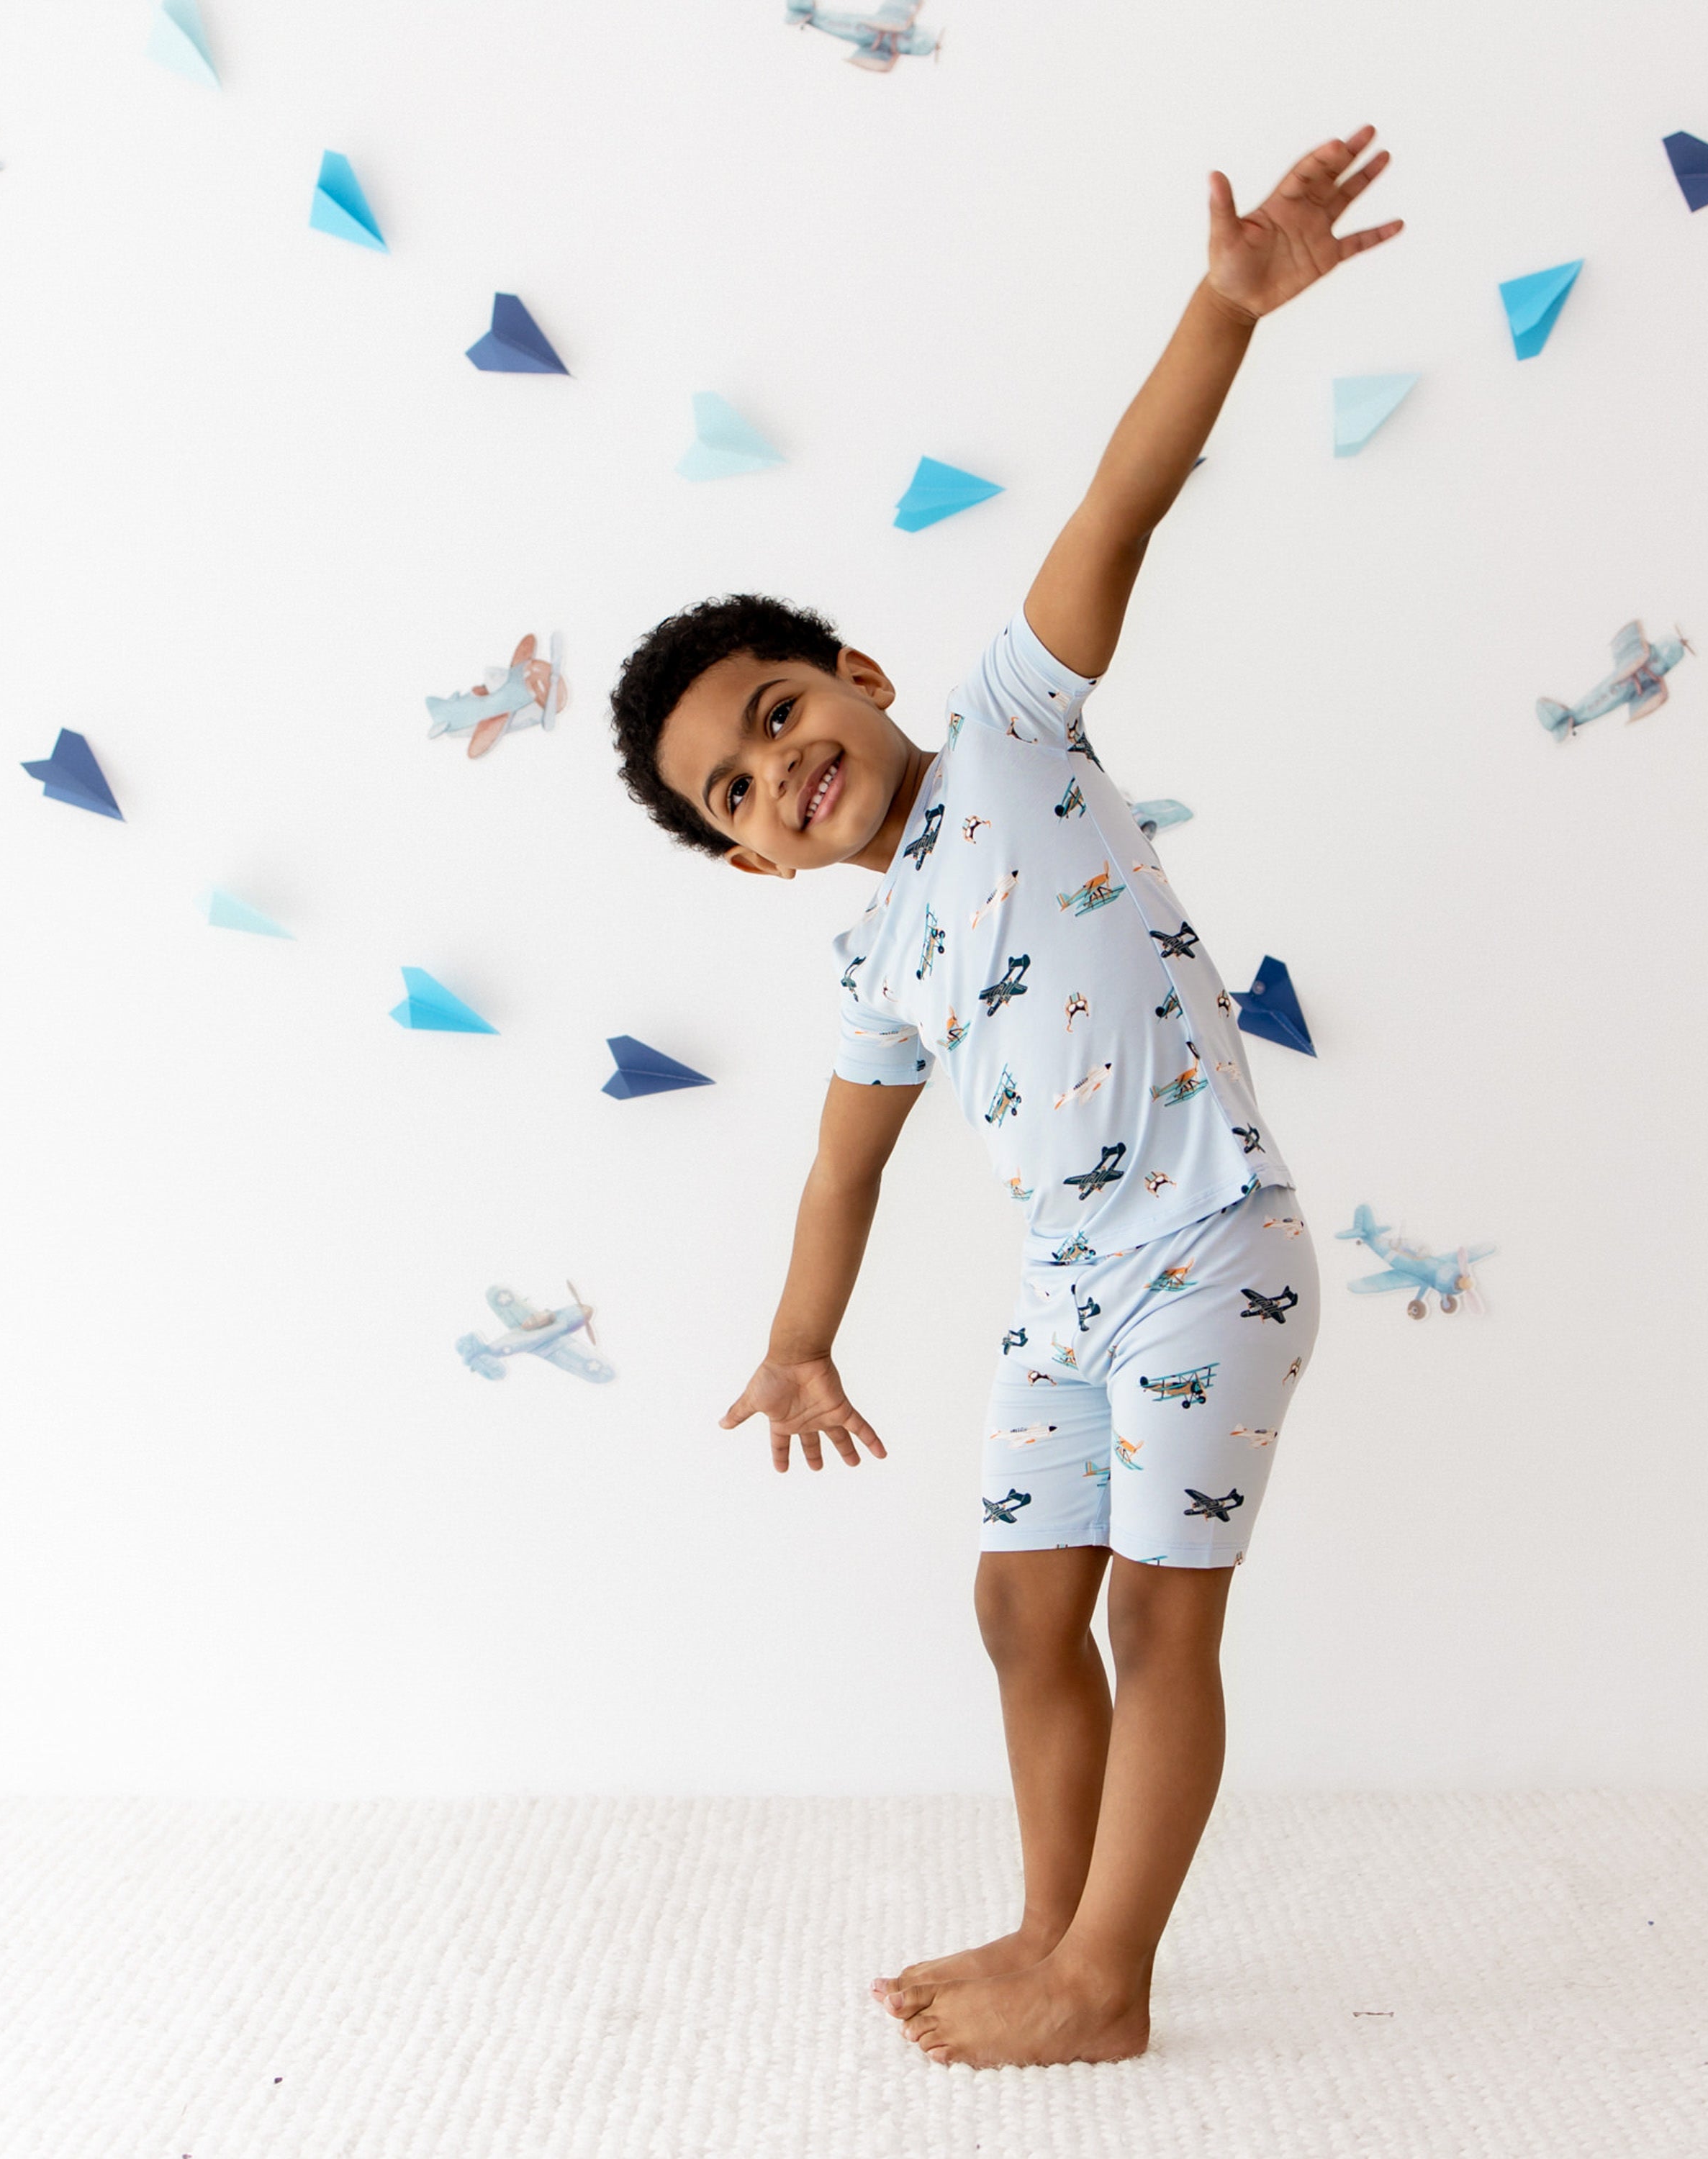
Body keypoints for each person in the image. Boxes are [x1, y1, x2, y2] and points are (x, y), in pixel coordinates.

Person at [607, 130, 1401, 2068]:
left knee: (1155, 1620)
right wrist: (801, 1343)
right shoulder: (868, 961)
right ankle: (1054, 1928)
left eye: (781, 712)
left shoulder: (1020, 736)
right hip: (1069, 1295)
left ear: (863, 679)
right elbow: (840, 1168)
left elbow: (1118, 515)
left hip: (1212, 1248)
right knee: (1016, 1612)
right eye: (736, 786)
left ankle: (1106, 1983)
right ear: (748, 866)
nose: (778, 767)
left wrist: (1222, 312)